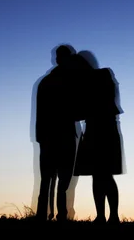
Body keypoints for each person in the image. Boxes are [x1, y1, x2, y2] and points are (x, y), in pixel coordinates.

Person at [73, 50, 125, 224]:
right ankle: (102, 216)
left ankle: (113, 216)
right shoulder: (86, 82)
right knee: (98, 175)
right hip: (96, 129)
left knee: (104, 174)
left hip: (104, 129)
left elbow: (99, 104)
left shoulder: (101, 75)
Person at [34, 45, 82, 222]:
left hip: (48, 136)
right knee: (62, 180)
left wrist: (40, 137)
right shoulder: (70, 82)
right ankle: (61, 215)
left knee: (48, 179)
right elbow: (76, 111)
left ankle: (44, 215)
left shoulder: (46, 82)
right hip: (62, 135)